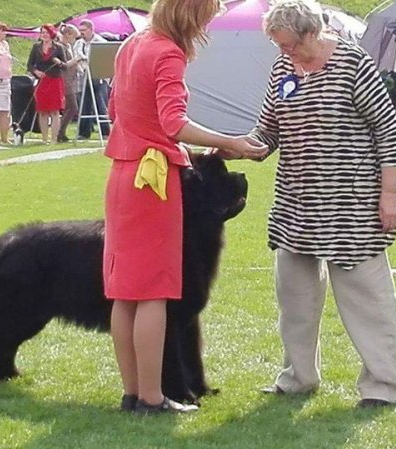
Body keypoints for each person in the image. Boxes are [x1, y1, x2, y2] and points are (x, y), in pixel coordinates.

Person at [222, 0, 396, 408]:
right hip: (297, 203)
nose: (283, 53)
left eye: (288, 44)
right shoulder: (282, 69)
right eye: (278, 46)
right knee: (295, 299)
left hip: (354, 203)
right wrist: (235, 147)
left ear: (311, 33)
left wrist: (388, 193)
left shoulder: (353, 64)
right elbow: (269, 128)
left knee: (366, 299)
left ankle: (383, 386)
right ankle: (298, 377)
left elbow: (388, 132)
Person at [104, 0, 267, 414]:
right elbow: (173, 123)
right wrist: (230, 142)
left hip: (123, 175)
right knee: (155, 291)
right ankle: (153, 397)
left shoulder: (132, 45)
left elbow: (122, 114)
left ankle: (132, 393)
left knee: (125, 293)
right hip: (153, 183)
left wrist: (197, 146)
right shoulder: (168, 52)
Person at [27, 24, 65, 145]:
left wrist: (59, 62)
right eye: (42, 32)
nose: (44, 35)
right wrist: (36, 71)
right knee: (42, 110)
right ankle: (44, 138)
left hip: (54, 81)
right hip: (42, 81)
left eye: (46, 32)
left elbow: (65, 66)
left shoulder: (58, 47)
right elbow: (30, 65)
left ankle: (54, 139)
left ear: (52, 34)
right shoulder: (36, 47)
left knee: (54, 111)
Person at [74, 19, 109, 140]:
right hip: (84, 76)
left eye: (83, 30)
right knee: (85, 104)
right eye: (80, 31)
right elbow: (76, 58)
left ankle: (105, 131)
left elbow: (104, 60)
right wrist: (80, 68)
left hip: (98, 77)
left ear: (90, 29)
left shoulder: (100, 42)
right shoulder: (79, 43)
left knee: (101, 104)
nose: (81, 33)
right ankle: (84, 132)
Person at [56, 24, 80, 143]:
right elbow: (64, 64)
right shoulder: (60, 47)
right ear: (68, 35)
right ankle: (60, 132)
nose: (74, 40)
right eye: (74, 37)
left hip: (70, 80)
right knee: (73, 107)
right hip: (65, 81)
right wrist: (75, 60)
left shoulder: (67, 46)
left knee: (70, 107)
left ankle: (61, 132)